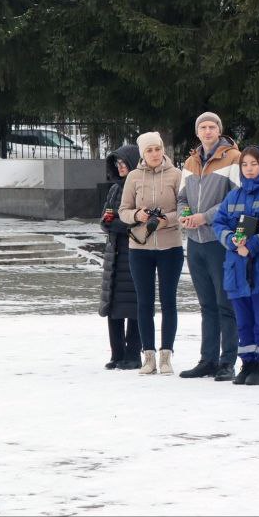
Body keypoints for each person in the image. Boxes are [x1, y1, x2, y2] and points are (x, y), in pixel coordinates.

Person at [177, 112, 242, 381]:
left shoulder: (233, 158)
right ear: (197, 132)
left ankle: (227, 361)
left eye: (211, 126)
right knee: (206, 305)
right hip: (195, 242)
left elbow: (235, 198)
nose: (207, 131)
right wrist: (185, 214)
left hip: (219, 239)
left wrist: (205, 217)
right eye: (202, 127)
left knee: (224, 303)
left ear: (219, 129)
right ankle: (208, 359)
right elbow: (181, 197)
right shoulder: (190, 162)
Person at [118, 131, 184, 376]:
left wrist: (167, 219)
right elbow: (123, 211)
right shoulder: (134, 177)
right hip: (140, 247)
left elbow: (185, 210)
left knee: (169, 301)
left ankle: (166, 354)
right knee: (144, 303)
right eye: (149, 150)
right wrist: (138, 215)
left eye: (158, 149)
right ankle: (149, 356)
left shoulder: (176, 175)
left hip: (171, 247)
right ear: (143, 154)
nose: (155, 154)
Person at [213, 146, 259, 386]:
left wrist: (251, 246)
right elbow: (218, 223)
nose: (249, 169)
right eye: (245, 165)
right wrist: (231, 240)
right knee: (243, 321)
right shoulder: (233, 195)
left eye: (254, 164)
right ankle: (247, 361)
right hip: (236, 269)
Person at [99, 144, 142, 370]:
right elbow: (105, 220)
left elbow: (134, 222)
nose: (121, 167)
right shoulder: (115, 189)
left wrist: (116, 224)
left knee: (133, 305)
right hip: (114, 253)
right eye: (118, 163)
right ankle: (117, 354)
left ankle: (133, 354)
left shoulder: (138, 187)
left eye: (124, 163)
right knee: (113, 304)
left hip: (133, 251)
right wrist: (115, 224)